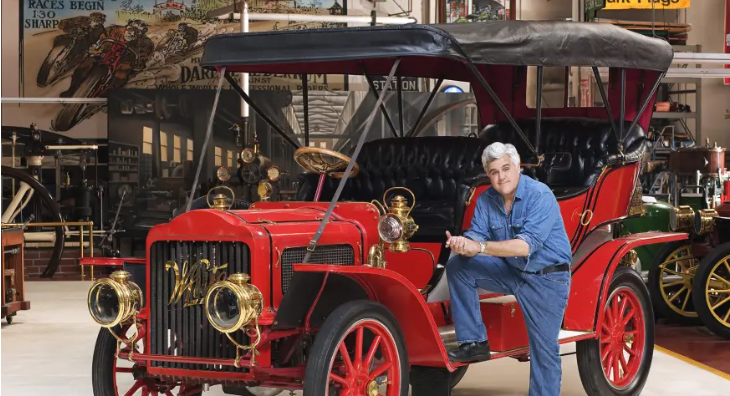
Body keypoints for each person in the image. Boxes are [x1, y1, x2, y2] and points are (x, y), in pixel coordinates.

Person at [445, 142, 572, 396]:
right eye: (494, 172)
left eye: (505, 168)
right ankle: (474, 342)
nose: (501, 176)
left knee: (543, 352)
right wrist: (462, 244)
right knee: (458, 265)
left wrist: (478, 246)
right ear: (488, 175)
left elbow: (525, 247)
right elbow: (476, 237)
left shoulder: (540, 195)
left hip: (547, 277)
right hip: (511, 272)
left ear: (517, 167)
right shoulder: (486, 199)